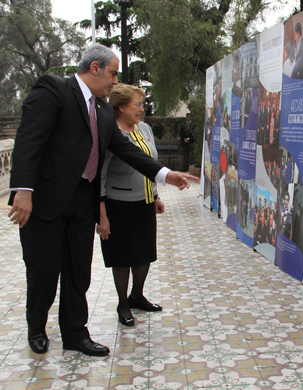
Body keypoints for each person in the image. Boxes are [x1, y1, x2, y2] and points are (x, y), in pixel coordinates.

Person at [7, 44, 197, 356]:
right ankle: (36, 328)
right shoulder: (53, 90)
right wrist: (23, 191)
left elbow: (126, 150)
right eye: (112, 73)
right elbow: (28, 140)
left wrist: (164, 174)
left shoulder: (104, 110)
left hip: (83, 202)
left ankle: (75, 334)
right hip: (47, 202)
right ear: (94, 68)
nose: (114, 81)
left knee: (78, 271)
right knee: (44, 270)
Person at [97, 83, 165, 328]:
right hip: (119, 205)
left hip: (144, 203)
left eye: (142, 104)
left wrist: (155, 195)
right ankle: (123, 302)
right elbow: (100, 176)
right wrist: (101, 215)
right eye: (137, 104)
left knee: (143, 253)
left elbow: (150, 164)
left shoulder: (144, 128)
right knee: (122, 257)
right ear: (121, 107)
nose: (142, 109)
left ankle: (137, 295)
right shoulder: (111, 133)